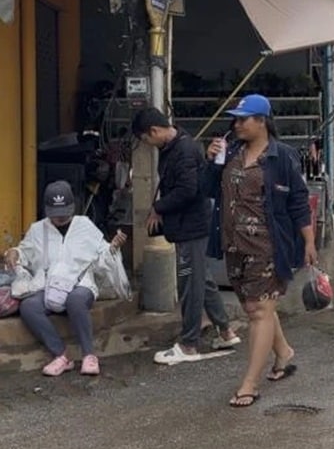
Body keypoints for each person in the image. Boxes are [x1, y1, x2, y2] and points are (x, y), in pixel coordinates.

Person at [203, 94, 317, 408]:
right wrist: (211, 160)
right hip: (234, 245)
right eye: (236, 119)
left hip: (269, 246)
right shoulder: (232, 152)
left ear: (262, 121)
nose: (237, 124)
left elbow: (297, 201)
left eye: (244, 119)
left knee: (258, 311)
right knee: (258, 307)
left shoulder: (282, 157)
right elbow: (206, 189)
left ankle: (249, 384)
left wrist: (308, 242)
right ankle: (283, 353)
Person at [131, 108, 239, 365]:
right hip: (188, 225)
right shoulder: (176, 147)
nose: (148, 144)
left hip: (193, 226)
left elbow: (189, 190)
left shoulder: (184, 150)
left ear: (154, 132)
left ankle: (189, 343)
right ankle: (226, 331)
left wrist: (159, 207)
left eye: (146, 139)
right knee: (203, 279)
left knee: (190, 283)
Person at [3, 181, 127, 376]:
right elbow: (24, 252)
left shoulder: (85, 225)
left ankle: (89, 355)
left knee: (76, 300)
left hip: (80, 284)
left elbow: (102, 256)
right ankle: (60, 355)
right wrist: (14, 253)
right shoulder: (38, 229)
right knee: (28, 307)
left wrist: (113, 247)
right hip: (47, 284)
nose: (60, 218)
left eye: (64, 213)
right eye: (55, 214)